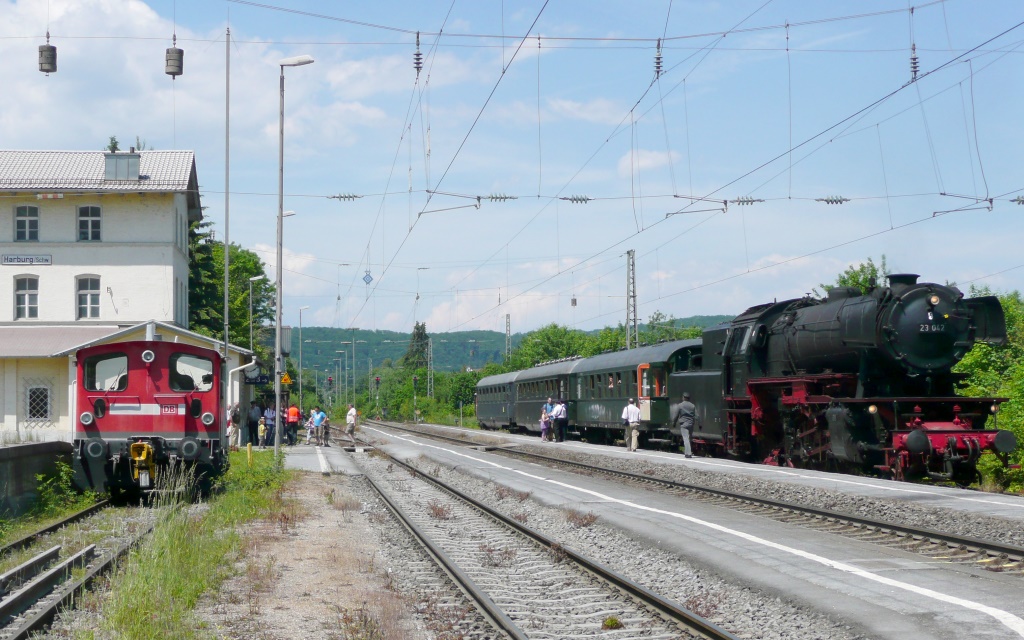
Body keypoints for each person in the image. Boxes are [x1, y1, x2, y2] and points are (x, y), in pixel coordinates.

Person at [673, 392, 696, 458]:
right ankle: (688, 451)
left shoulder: (680, 405)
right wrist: (700, 423)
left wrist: (674, 423)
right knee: (689, 438)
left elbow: (676, 415)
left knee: (686, 438)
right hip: (691, 424)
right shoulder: (692, 406)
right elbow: (696, 415)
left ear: (683, 397)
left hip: (684, 424)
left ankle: (688, 453)